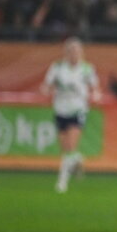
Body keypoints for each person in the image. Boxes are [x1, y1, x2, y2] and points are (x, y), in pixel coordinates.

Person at [41, 37, 101, 193]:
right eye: (71, 51)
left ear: (81, 53)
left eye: (77, 51)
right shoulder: (57, 68)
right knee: (65, 147)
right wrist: (46, 90)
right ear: (66, 53)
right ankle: (78, 160)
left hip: (78, 109)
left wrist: (95, 95)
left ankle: (62, 182)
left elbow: (95, 87)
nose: (74, 54)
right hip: (60, 109)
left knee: (71, 145)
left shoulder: (87, 69)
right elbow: (47, 85)